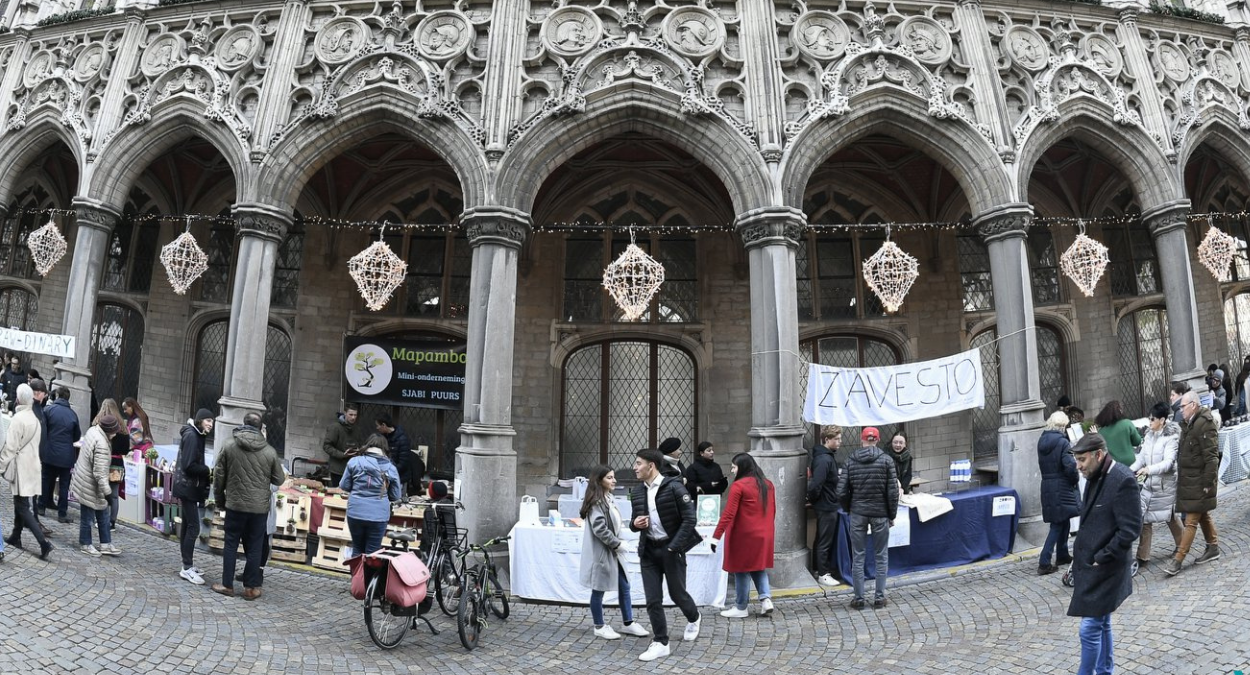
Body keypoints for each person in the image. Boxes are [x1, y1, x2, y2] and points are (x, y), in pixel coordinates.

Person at [1067, 432, 1141, 675]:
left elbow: (1130, 529)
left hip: (1107, 567)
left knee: (1089, 629)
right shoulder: (1095, 474)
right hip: (1093, 565)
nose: (1078, 466)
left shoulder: (1122, 479)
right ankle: (1105, 671)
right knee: (1102, 622)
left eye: (1082, 460)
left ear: (1098, 455)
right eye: (1076, 460)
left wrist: (1103, 556)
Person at [630, 448, 700, 662]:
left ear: (651, 466)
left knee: (677, 593)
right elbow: (633, 523)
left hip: (671, 549)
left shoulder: (675, 488)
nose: (635, 467)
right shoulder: (638, 491)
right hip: (649, 550)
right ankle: (661, 642)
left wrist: (673, 547)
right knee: (652, 599)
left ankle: (694, 617)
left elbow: (690, 520)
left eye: (639, 463)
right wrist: (635, 524)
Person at [211, 412, 287, 600]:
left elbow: (218, 477)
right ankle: (251, 588)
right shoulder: (269, 451)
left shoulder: (229, 445)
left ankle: (227, 585)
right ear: (261, 428)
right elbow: (279, 478)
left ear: (243, 424)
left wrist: (220, 501)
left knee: (230, 544)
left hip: (235, 505)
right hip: (258, 509)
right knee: (254, 547)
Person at [578, 464, 648, 640]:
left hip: (613, 552)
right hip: (603, 553)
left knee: (624, 586)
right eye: (609, 477)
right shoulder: (597, 502)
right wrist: (617, 544)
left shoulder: (608, 498)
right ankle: (599, 625)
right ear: (599, 480)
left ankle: (628, 622)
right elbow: (600, 529)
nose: (614, 480)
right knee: (598, 589)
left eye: (613, 477)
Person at [836, 426, 898, 610]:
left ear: (861, 440)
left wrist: (850, 508)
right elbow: (893, 492)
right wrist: (891, 514)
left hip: (858, 513)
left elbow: (841, 491)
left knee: (858, 556)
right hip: (880, 513)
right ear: (877, 440)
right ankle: (879, 597)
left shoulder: (850, 461)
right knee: (881, 556)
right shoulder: (886, 460)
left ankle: (859, 598)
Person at [710, 453, 775, 618]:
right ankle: (766, 599)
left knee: (740, 570)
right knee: (758, 567)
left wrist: (716, 536)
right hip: (764, 533)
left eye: (734, 467)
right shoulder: (768, 484)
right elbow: (772, 511)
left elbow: (728, 514)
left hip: (743, 534)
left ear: (742, 467)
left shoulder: (739, 486)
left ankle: (741, 607)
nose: (732, 471)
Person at [1165, 392, 1221, 576]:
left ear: (1194, 405)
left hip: (1199, 482)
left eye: (1183, 406)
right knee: (1202, 513)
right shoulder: (1190, 424)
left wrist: (1208, 482)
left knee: (1190, 521)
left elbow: (1212, 456)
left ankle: (1178, 559)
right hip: (1190, 480)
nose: (1180, 410)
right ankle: (1213, 547)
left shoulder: (1204, 424)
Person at [0, 384, 53, 560]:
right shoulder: (34, 417)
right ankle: (16, 536)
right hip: (32, 464)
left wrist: (0, 465)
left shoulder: (19, 418)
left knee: (22, 506)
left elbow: (10, 447)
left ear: (18, 398)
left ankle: (43, 543)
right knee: (20, 502)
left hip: (22, 466)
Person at [1130, 402, 1181, 567]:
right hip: (1149, 486)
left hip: (1165, 486)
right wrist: (1128, 471)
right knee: (1145, 519)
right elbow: (1141, 458)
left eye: (1153, 419)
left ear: (1162, 420)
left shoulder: (1171, 438)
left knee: (1170, 517)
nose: (1150, 422)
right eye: (1149, 418)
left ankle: (1183, 545)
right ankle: (1143, 556)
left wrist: (1149, 470)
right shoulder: (1149, 435)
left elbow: (1168, 463)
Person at [339, 433, 401, 556]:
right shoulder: (390, 468)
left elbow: (344, 486)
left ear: (368, 445)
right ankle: (369, 576)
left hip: (355, 511)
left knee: (357, 548)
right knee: (372, 553)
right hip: (378, 515)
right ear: (384, 448)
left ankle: (356, 575)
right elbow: (396, 495)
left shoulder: (354, 462)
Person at [173, 408, 215, 584]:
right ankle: (187, 568)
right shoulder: (192, 436)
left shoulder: (197, 435)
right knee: (194, 528)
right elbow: (189, 465)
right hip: (187, 487)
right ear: (199, 421)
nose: (211, 425)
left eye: (212, 422)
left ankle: (186, 563)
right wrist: (208, 471)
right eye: (208, 421)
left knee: (188, 524)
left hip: (189, 487)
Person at [72, 414, 122, 557]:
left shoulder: (93, 430)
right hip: (90, 484)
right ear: (109, 430)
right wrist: (108, 493)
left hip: (86, 479)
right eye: (115, 431)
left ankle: (105, 543)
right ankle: (86, 543)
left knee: (103, 513)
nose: (116, 433)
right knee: (88, 517)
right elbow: (99, 473)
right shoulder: (102, 444)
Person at [1037, 411, 1078, 575]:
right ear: (1062, 426)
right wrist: (1074, 479)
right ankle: (1044, 561)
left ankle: (1062, 553)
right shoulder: (1063, 442)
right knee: (1057, 524)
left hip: (1047, 484)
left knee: (1063, 519)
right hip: (1061, 485)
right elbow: (1069, 466)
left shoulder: (1042, 440)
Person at [37, 380, 77, 524]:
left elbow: (42, 429)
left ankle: (41, 506)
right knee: (64, 485)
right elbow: (77, 435)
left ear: (58, 396)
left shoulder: (48, 410)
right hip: (66, 456)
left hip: (50, 452)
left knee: (46, 479)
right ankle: (62, 513)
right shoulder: (73, 415)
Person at [806, 426, 842, 586]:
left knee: (821, 538)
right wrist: (815, 500)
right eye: (837, 439)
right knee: (824, 540)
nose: (840, 442)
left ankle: (817, 569)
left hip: (826, 503)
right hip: (826, 505)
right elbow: (815, 485)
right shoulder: (824, 459)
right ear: (827, 440)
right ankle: (823, 573)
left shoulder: (826, 457)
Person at [96, 399, 129, 528]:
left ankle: (100, 520)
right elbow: (125, 449)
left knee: (101, 492)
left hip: (103, 460)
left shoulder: (99, 424)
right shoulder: (123, 426)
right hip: (117, 463)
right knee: (114, 495)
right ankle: (112, 522)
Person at [375, 413, 418, 494]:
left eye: (378, 426)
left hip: (399, 478)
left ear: (383, 425)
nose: (377, 428)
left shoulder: (402, 439)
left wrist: (388, 472)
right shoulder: (382, 437)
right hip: (386, 478)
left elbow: (403, 463)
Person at [1093, 401, 1140, 466]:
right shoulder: (1127, 423)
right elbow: (1137, 441)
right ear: (1120, 411)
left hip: (1114, 465)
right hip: (1131, 462)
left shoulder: (1101, 431)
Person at [322, 404, 359, 485]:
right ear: (345, 413)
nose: (353, 417)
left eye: (355, 415)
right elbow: (326, 446)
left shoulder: (356, 428)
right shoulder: (335, 427)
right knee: (337, 494)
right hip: (338, 470)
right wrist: (342, 455)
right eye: (351, 414)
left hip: (352, 469)